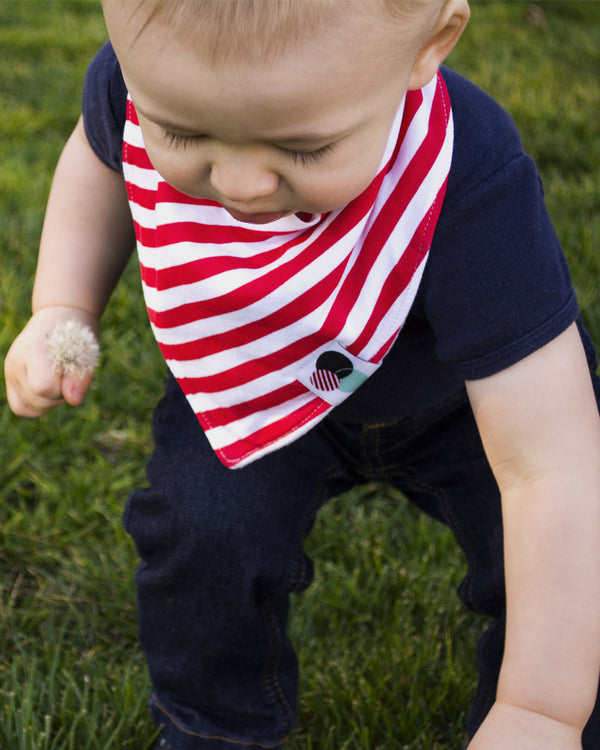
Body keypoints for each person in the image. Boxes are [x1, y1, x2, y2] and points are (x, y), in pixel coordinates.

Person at [5, 0, 600, 747]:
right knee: (200, 540)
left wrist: (542, 708)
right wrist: (63, 301)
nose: (241, 183)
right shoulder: (143, 82)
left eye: (304, 148)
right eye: (184, 134)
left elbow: (549, 466)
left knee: (567, 559)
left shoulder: (467, 173)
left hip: (462, 402)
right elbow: (100, 153)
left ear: (430, 46)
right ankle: (214, 725)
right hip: (248, 370)